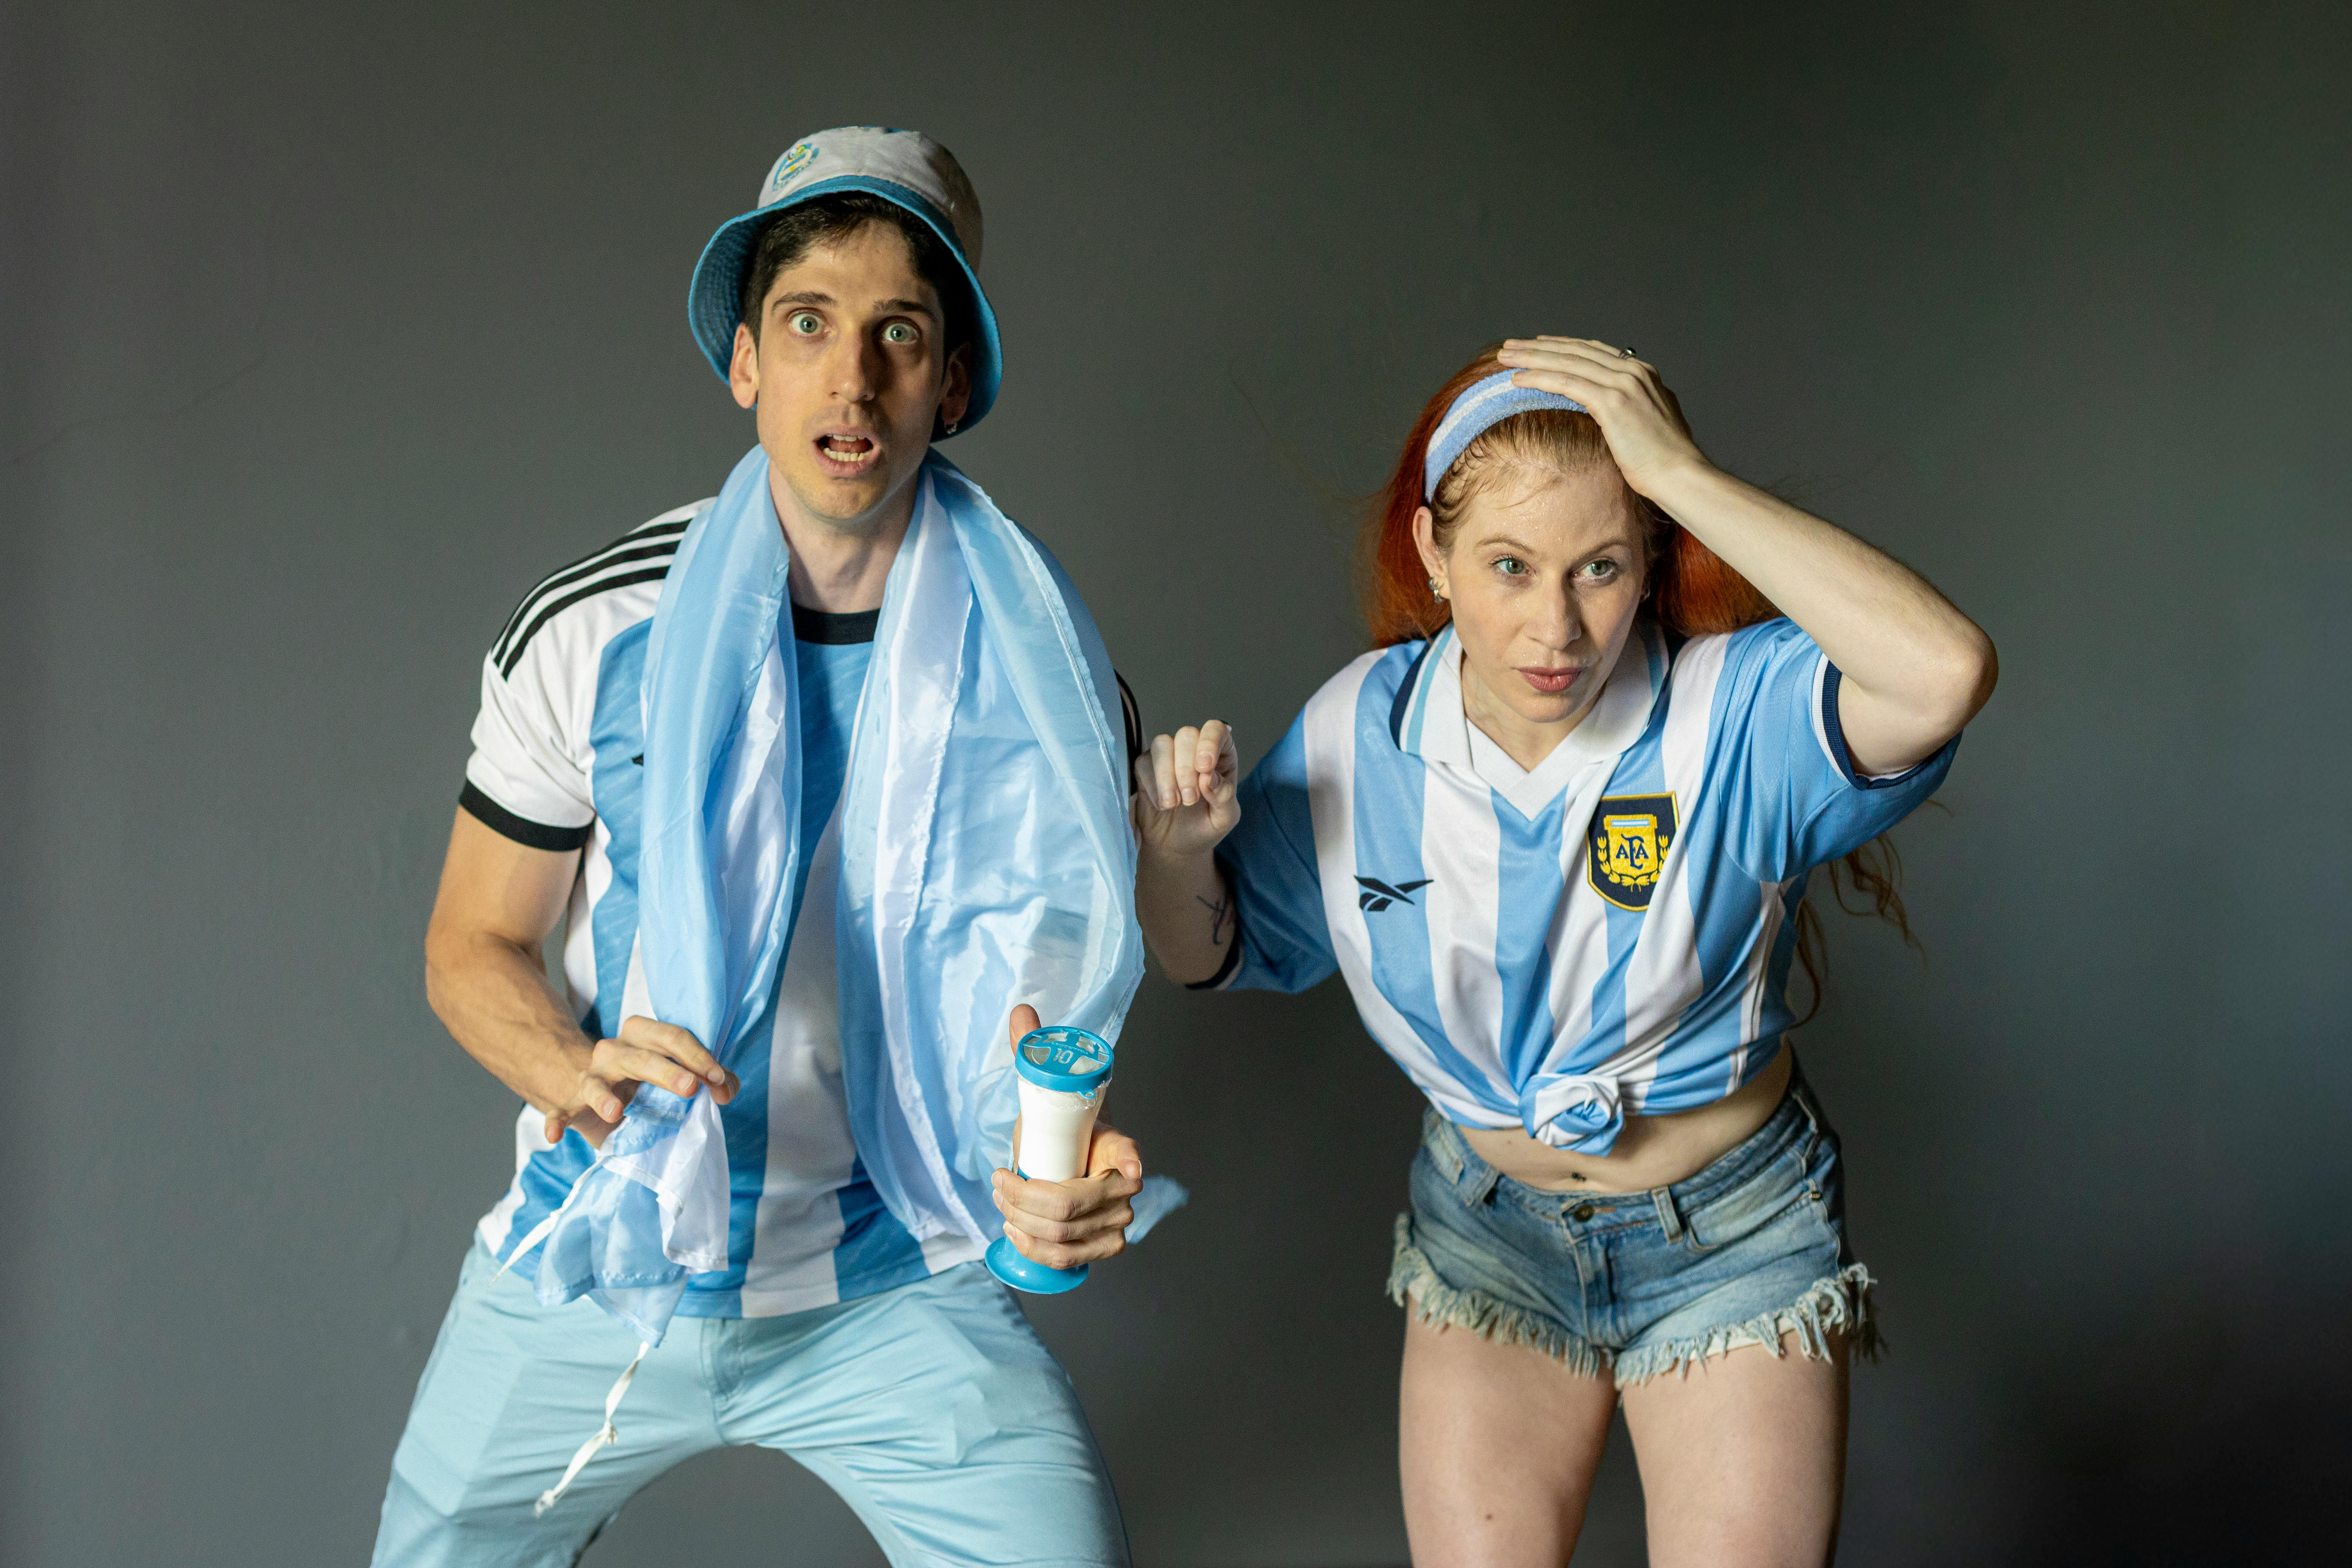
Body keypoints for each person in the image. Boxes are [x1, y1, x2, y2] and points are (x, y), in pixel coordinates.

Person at [376, 128, 1163, 1567]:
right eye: (807, 324)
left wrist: (1062, 1159)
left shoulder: (1051, 681)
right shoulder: (597, 625)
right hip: (614, 1243)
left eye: (897, 334)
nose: (849, 380)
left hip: (893, 1268)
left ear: (955, 380)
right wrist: (570, 1072)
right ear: (746, 361)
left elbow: (1055, 1014)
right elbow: (468, 943)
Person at [1134, 339, 1996, 1564]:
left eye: (1599, 565)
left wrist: (1681, 476)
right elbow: (1203, 955)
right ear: (1432, 553)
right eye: (1508, 566)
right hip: (1491, 1239)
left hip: (1730, 1240)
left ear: (1649, 557)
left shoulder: (1729, 714)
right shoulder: (1359, 733)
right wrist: (1175, 858)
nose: (1556, 626)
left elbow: (1944, 669)